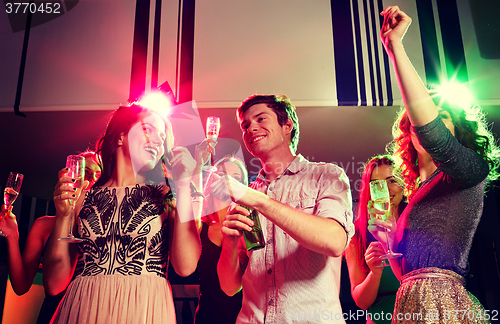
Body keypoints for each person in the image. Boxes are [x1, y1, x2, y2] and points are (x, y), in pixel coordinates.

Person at [369, 6, 500, 323]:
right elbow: (406, 273)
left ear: (457, 131)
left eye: (443, 117)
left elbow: (432, 135)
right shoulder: (417, 194)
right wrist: (384, 254)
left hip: (443, 304)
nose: (428, 122)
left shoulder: (468, 171)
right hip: (410, 304)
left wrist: (395, 46)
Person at [43, 104, 201, 324]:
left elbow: (185, 267)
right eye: (148, 129)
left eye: (162, 136)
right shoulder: (83, 198)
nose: (157, 140)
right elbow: (53, 284)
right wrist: (63, 215)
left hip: (144, 309)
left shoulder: (166, 196)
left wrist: (183, 187)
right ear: (120, 136)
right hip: (84, 309)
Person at [215, 94, 354, 324]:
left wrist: (260, 201)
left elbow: (334, 242)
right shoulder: (246, 195)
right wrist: (229, 242)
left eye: (261, 119)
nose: (251, 128)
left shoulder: (326, 175)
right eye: (245, 125)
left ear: (287, 125)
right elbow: (230, 287)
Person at [0, 150, 101, 324]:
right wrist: (12, 237)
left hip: (89, 315)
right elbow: (20, 285)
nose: (87, 180)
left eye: (96, 176)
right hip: (52, 316)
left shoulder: (102, 230)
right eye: (83, 171)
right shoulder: (43, 225)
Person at [344, 155, 404, 324]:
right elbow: (361, 302)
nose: (385, 190)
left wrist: (394, 238)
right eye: (377, 184)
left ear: (404, 184)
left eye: (392, 181)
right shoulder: (356, 234)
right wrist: (375, 273)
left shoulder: (420, 224)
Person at [192, 154, 246, 324]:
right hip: (207, 316)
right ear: (211, 182)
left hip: (244, 317)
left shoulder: (250, 227)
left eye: (236, 178)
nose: (228, 181)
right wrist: (197, 165)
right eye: (222, 175)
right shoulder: (200, 226)